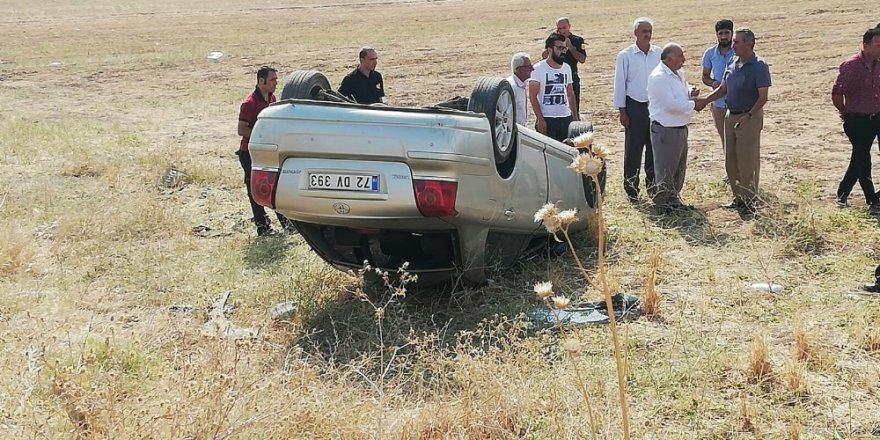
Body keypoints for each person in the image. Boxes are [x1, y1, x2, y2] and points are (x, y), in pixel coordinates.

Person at [702, 28, 772, 214]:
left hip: (748, 117)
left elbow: (763, 97)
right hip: (730, 115)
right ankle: (738, 198)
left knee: (747, 160)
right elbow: (723, 88)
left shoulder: (759, 66)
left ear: (749, 44)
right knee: (730, 160)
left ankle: (750, 201)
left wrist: (748, 116)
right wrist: (705, 101)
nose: (733, 45)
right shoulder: (732, 61)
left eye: (736, 42)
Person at [647, 43, 705, 211]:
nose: (684, 60)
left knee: (679, 167)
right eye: (681, 56)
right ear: (669, 58)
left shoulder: (677, 73)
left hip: (680, 127)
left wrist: (690, 92)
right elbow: (670, 105)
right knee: (666, 168)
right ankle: (663, 205)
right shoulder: (658, 77)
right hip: (666, 130)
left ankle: (674, 201)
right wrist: (694, 104)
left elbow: (680, 92)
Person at [237, 66, 294, 236]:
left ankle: (286, 224)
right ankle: (262, 228)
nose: (276, 83)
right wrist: (260, 137)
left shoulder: (272, 99)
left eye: (276, 79)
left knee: (274, 187)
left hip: (268, 152)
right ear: (261, 81)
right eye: (272, 80)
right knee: (256, 191)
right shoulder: (249, 103)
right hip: (250, 153)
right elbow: (242, 130)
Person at [832, 27, 880, 214]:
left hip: (876, 118)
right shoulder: (851, 66)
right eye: (878, 45)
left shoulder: (878, 64)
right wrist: (845, 112)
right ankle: (872, 200)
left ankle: (842, 192)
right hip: (856, 120)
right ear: (865, 46)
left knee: (858, 158)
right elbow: (837, 93)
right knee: (863, 158)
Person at [613, 17, 661, 202]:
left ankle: (653, 186)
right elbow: (620, 84)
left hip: (655, 107)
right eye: (643, 31)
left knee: (653, 148)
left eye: (649, 31)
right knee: (633, 149)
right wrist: (622, 111)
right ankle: (631, 188)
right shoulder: (625, 55)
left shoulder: (659, 53)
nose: (647, 34)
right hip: (635, 107)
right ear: (635, 33)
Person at [529, 33, 579, 142]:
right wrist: (540, 119)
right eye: (560, 48)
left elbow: (570, 94)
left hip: (565, 118)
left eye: (565, 48)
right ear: (550, 49)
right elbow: (532, 96)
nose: (564, 51)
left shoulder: (567, 68)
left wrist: (575, 118)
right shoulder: (538, 69)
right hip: (547, 119)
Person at [701, 19, 736, 152]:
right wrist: (713, 83)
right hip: (719, 104)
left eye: (726, 33)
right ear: (716, 35)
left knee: (739, 139)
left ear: (732, 33)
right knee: (725, 140)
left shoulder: (738, 51)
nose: (723, 36)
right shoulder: (710, 54)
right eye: (720, 33)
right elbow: (705, 76)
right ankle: (730, 171)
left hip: (737, 102)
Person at [555, 17, 588, 108]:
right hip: (556, 78)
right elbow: (545, 57)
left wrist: (570, 47)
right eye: (559, 28)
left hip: (572, 77)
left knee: (573, 106)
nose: (562, 31)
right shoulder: (553, 40)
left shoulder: (577, 40)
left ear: (569, 26)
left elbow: (582, 59)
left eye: (564, 27)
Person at [507, 52, 533, 126]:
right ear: (519, 69)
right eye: (529, 67)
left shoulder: (522, 85)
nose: (532, 69)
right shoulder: (511, 86)